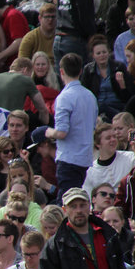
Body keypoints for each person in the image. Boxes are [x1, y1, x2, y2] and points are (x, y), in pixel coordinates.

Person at [44, 53, 98, 199]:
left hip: (69, 158)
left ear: (61, 71)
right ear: (80, 71)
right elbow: (93, 126)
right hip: (85, 158)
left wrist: (48, 132)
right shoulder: (90, 96)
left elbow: (62, 132)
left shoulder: (64, 97)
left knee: (67, 200)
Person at [81, 123, 135, 197]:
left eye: (114, 137)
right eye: (108, 138)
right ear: (98, 144)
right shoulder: (90, 172)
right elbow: (88, 197)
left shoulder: (130, 157)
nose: (113, 140)